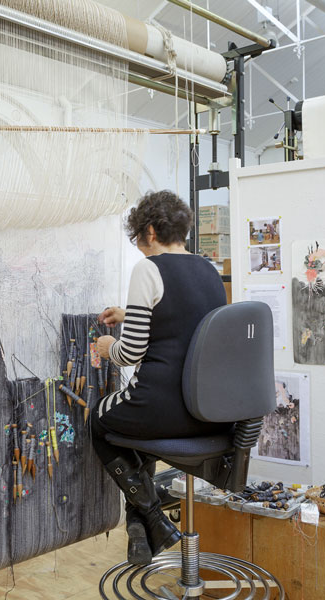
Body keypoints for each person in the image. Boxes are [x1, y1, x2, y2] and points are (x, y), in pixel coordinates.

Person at [92, 190, 227, 566]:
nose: (137, 246)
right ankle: (144, 525)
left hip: (160, 408)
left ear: (150, 230)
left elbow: (130, 354)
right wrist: (129, 315)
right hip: (207, 413)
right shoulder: (209, 271)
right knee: (135, 437)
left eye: (137, 237)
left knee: (99, 421)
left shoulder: (148, 269)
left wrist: (107, 346)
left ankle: (152, 517)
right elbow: (183, 326)